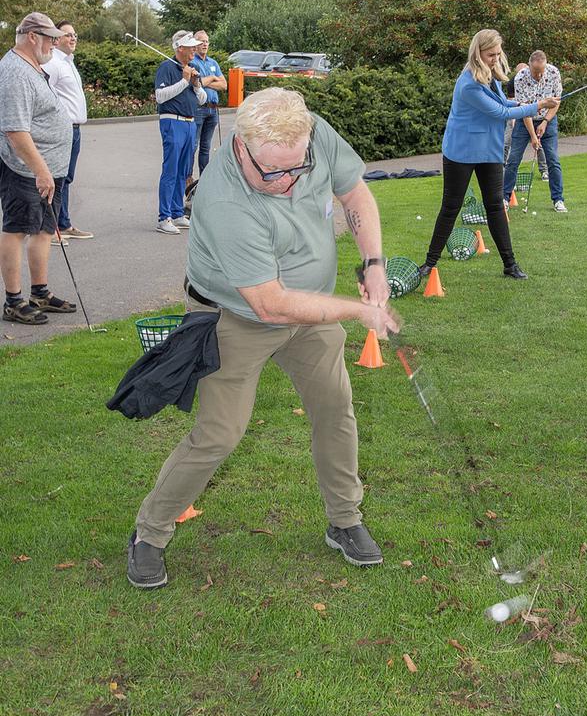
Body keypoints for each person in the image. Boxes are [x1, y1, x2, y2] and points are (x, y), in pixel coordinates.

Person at [127, 87, 400, 589]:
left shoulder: (309, 135)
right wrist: (359, 310)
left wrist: (374, 263)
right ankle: (150, 533)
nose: (289, 182)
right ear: (241, 147)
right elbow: (269, 304)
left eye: (298, 168)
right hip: (236, 319)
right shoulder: (224, 198)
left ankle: (345, 520)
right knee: (219, 433)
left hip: (312, 313)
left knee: (335, 411)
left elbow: (354, 191)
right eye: (273, 172)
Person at [419, 29, 560, 281]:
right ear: (478, 52)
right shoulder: (468, 84)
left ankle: (510, 265)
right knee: (451, 207)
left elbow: (503, 103)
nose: (495, 58)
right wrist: (538, 106)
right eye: (490, 54)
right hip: (461, 152)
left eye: (497, 54)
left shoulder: (488, 77)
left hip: (488, 150)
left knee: (495, 205)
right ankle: (429, 264)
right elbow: (499, 113)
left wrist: (520, 103)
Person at [0, 13, 76, 325]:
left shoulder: (34, 67)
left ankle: (39, 293)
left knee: (45, 229)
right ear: (33, 36)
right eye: (50, 38)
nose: (55, 44)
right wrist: (41, 170)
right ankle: (14, 301)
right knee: (17, 229)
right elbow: (15, 131)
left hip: (48, 168)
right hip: (25, 169)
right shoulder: (15, 72)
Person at [42, 20, 94, 243]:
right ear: (55, 38)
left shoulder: (68, 62)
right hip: (62, 129)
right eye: (67, 35)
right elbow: (44, 93)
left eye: (75, 35)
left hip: (75, 130)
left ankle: (63, 224)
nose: (73, 38)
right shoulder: (53, 62)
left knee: (67, 178)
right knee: (57, 178)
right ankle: (50, 229)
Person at [155, 31, 207, 235]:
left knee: (182, 171)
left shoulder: (191, 69)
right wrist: (184, 81)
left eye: (195, 46)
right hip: (172, 122)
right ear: (180, 48)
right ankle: (164, 217)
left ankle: (177, 212)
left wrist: (195, 85)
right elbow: (160, 96)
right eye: (191, 46)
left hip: (190, 123)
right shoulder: (166, 67)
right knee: (170, 170)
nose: (194, 49)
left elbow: (202, 99)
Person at [503, 51, 567, 213]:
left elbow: (556, 102)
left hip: (548, 120)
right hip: (525, 121)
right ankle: (504, 198)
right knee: (513, 160)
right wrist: (533, 136)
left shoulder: (553, 72)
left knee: (553, 160)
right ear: (529, 65)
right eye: (535, 72)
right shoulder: (520, 78)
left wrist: (545, 122)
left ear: (546, 65)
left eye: (541, 72)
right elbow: (525, 110)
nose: (538, 76)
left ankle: (558, 199)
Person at [188, 30, 227, 182]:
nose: (205, 44)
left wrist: (208, 81)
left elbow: (224, 85)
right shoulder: (193, 62)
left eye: (207, 41)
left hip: (213, 109)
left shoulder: (213, 63)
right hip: (199, 109)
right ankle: (188, 180)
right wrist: (212, 78)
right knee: (193, 146)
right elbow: (199, 84)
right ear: (195, 44)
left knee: (206, 148)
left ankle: (204, 181)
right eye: (201, 41)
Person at [504, 62, 548, 179]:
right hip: (516, 115)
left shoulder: (535, 80)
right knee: (508, 141)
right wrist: (514, 119)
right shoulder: (513, 82)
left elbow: (535, 105)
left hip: (534, 116)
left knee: (538, 142)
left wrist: (533, 135)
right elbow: (512, 102)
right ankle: (504, 168)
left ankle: (544, 170)